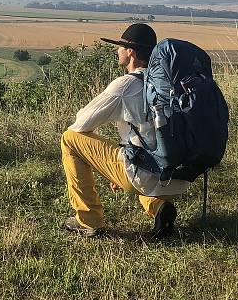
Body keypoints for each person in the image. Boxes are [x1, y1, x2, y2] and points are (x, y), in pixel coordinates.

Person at [60, 23, 190, 238]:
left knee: (70, 139)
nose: (117, 50)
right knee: (136, 158)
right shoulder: (170, 84)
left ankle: (88, 221)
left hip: (146, 175)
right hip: (178, 177)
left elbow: (82, 123)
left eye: (120, 46)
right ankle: (158, 207)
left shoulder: (125, 85)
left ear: (130, 52)